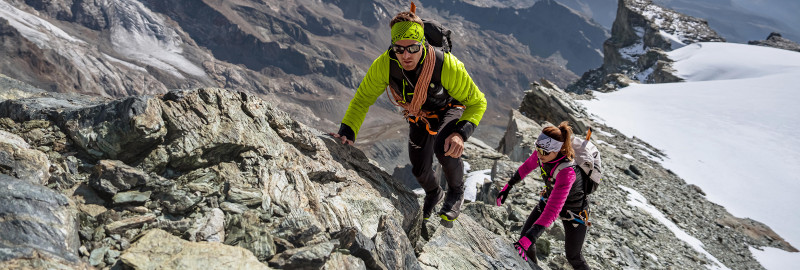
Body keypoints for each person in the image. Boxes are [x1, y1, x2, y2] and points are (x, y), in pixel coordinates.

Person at [330, 9, 487, 222]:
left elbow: (478, 102)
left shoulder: (446, 65)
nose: (406, 55)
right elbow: (362, 99)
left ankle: (455, 192)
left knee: (445, 147)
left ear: (422, 44)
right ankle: (434, 193)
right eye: (399, 48)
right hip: (419, 115)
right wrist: (348, 130)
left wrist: (460, 133)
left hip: (449, 108)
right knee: (420, 170)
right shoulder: (385, 64)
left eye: (413, 48)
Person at [495, 121, 591, 269]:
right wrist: (508, 186)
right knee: (525, 239)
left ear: (557, 150)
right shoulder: (543, 152)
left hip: (574, 211)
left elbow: (552, 211)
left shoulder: (567, 172)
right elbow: (527, 166)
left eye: (544, 152)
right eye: (537, 149)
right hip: (551, 197)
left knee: (574, 256)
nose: (539, 154)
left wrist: (530, 238)